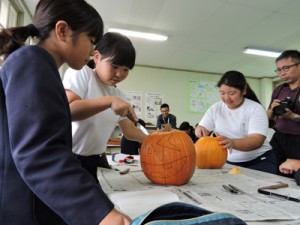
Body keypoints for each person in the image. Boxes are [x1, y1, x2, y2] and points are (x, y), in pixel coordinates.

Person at [0, 0, 131, 224]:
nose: (92, 52)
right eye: (91, 41)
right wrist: (99, 212)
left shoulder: (41, 67)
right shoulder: (32, 62)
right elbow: (40, 152)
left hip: (36, 195)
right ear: (62, 31)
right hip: (26, 203)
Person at [63, 32, 147, 182]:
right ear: (96, 57)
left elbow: (129, 131)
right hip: (69, 160)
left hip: (96, 161)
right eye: (114, 66)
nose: (119, 74)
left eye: (126, 69)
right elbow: (69, 111)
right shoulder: (82, 73)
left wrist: (154, 139)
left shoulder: (119, 95)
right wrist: (108, 101)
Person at [195, 70, 277, 174]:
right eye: (222, 93)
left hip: (259, 161)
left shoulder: (255, 109)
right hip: (228, 162)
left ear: (243, 91)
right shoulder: (216, 108)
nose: (226, 98)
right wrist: (200, 130)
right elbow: (202, 127)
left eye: (231, 93)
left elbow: (257, 140)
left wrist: (233, 143)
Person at [267, 50, 300, 177]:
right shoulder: (279, 89)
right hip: (279, 139)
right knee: (276, 175)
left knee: (297, 179)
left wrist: (292, 116)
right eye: (279, 70)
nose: (282, 73)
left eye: (286, 68)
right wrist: (271, 110)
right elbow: (269, 117)